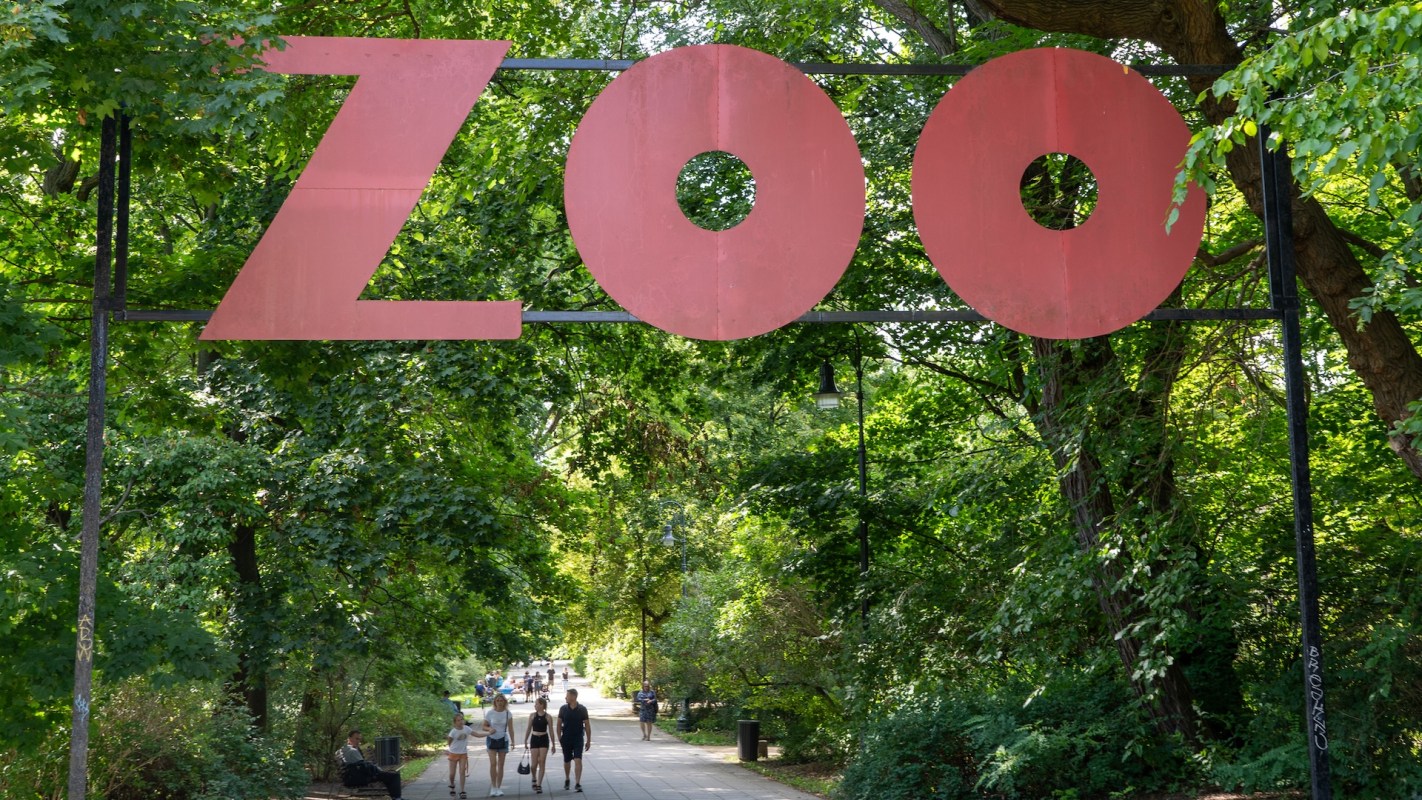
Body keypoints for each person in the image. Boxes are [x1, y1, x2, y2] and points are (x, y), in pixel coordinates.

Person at [338, 729, 403, 799]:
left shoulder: (344, 749)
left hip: (354, 776)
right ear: (349, 738)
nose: (358, 741)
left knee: (388, 775)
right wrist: (376, 770)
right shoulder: (352, 751)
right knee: (395, 776)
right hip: (360, 778)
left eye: (359, 739)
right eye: (356, 739)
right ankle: (396, 798)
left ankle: (395, 797)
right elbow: (363, 766)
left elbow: (360, 765)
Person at [555, 688, 592, 793]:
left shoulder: (582, 709)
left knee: (578, 759)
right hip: (566, 738)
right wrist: (559, 738)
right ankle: (567, 778)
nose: (565, 697)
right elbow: (558, 724)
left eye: (567, 695)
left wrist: (588, 740)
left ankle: (577, 783)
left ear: (573, 697)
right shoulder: (563, 709)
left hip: (578, 738)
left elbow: (587, 725)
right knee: (567, 760)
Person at [446, 712, 487, 799]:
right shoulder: (453, 732)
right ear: (455, 722)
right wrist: (450, 750)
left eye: (461, 719)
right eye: (458, 720)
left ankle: (462, 790)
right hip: (453, 754)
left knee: (462, 772)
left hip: (463, 754)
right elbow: (449, 742)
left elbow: (477, 735)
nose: (460, 722)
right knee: (452, 774)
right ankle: (452, 784)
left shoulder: (467, 729)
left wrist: (488, 734)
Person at [482, 693, 516, 796]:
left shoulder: (508, 714)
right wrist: (489, 728)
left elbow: (510, 728)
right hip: (491, 739)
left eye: (501, 701)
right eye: (498, 701)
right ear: (495, 702)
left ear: (504, 702)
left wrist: (513, 742)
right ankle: (493, 787)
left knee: (501, 765)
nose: (500, 703)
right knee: (493, 763)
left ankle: (498, 787)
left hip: (503, 740)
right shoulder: (490, 713)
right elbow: (483, 726)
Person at [523, 696, 554, 794]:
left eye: (536, 704)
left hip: (544, 739)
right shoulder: (532, 715)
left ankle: (539, 784)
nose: (535, 705)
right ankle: (533, 777)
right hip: (534, 739)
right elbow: (528, 728)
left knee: (542, 761)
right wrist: (525, 740)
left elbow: (551, 731)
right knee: (533, 764)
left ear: (542, 705)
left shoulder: (548, 717)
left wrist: (553, 744)